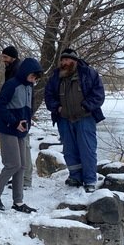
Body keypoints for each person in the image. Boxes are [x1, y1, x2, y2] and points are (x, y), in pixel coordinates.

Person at [44, 48, 105, 193]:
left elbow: (98, 94)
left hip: (85, 118)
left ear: (74, 61)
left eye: (67, 60)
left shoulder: (89, 74)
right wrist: (57, 108)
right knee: (69, 150)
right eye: (62, 60)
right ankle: (75, 176)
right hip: (64, 118)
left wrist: (85, 106)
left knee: (87, 149)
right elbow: (49, 95)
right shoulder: (56, 76)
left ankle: (90, 180)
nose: (64, 63)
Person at [0, 57, 42, 213]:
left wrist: (27, 124)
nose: (34, 80)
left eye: (36, 78)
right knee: (13, 164)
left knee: (22, 166)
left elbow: (28, 109)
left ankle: (18, 202)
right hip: (7, 129)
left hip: (21, 130)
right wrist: (13, 121)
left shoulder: (29, 87)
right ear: (25, 72)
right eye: (32, 76)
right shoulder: (12, 84)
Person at [0, 45, 33, 188]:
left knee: (23, 149)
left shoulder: (17, 71)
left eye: (5, 57)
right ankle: (21, 179)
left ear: (13, 57)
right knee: (21, 151)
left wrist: (21, 117)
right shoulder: (12, 69)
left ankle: (24, 179)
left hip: (19, 118)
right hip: (17, 117)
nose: (3, 60)